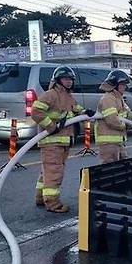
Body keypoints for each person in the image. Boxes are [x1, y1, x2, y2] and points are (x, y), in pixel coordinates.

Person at [32, 66, 93, 213]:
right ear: (58, 80)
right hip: (52, 141)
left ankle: (40, 197)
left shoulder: (67, 96)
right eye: (66, 79)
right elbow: (36, 111)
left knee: (47, 171)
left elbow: (75, 108)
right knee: (54, 172)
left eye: (71, 79)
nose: (69, 82)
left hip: (62, 141)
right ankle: (53, 204)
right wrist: (52, 127)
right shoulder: (50, 95)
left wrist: (85, 112)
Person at [95, 70, 132, 164]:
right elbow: (112, 120)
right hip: (108, 144)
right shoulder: (108, 99)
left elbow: (128, 113)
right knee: (110, 171)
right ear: (115, 85)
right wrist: (129, 126)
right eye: (122, 84)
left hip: (118, 142)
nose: (125, 87)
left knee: (123, 167)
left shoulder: (119, 98)